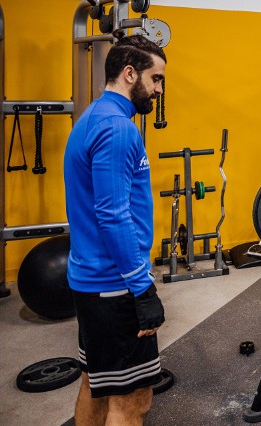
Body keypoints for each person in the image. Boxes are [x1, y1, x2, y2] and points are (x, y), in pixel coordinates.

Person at [63, 30, 167, 425]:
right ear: (129, 73)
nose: (157, 90)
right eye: (155, 79)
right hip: (115, 286)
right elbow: (112, 214)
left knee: (95, 382)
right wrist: (141, 288)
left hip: (93, 281)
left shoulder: (93, 116)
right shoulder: (118, 129)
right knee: (131, 401)